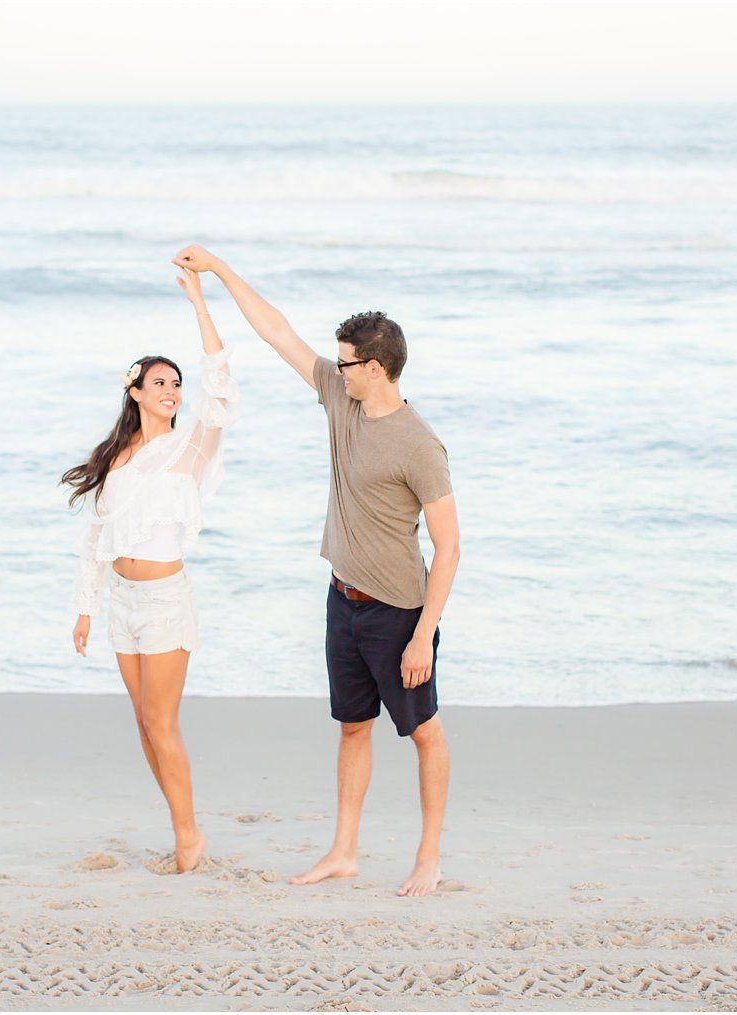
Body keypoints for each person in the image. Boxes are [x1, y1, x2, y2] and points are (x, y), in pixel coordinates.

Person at [170, 244, 459, 898]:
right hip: (343, 599)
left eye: (349, 362)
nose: (337, 368)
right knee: (352, 725)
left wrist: (422, 636)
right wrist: (217, 270)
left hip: (398, 612)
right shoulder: (339, 396)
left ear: (377, 369)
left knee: (424, 731)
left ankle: (428, 857)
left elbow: (449, 547)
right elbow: (276, 331)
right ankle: (344, 851)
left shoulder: (420, 444)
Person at [61, 267, 237, 873]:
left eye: (176, 383)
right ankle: (182, 829)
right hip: (122, 605)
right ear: (133, 391)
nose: (172, 390)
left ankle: (189, 837)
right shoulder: (116, 459)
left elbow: (220, 383)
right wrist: (86, 607)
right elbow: (95, 538)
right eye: (159, 382)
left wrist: (200, 303)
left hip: (164, 601)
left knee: (163, 723)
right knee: (143, 723)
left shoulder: (189, 447)